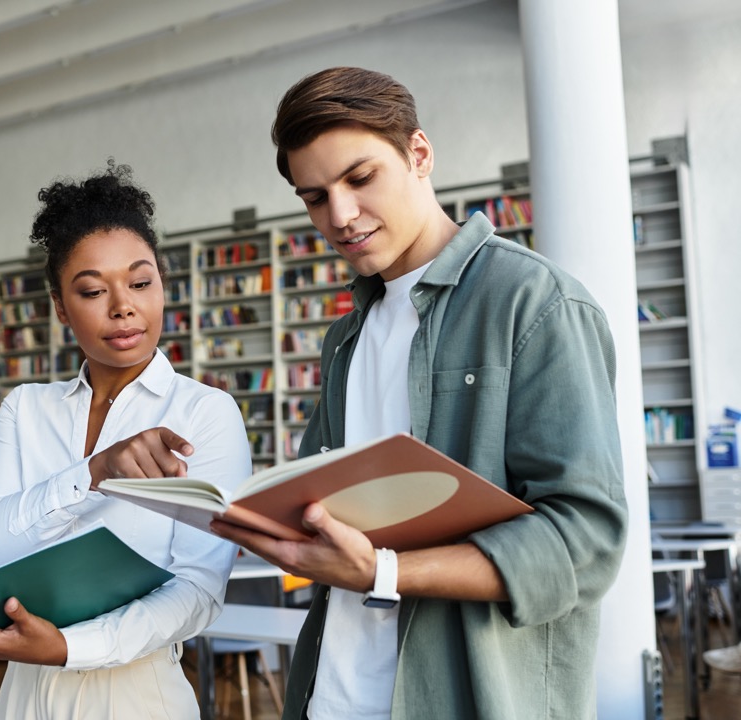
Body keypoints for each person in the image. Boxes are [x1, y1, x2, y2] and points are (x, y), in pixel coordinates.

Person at [211, 67, 629, 719]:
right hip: (331, 698)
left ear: (420, 154)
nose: (340, 217)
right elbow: (323, 508)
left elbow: (586, 543)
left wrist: (384, 573)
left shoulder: (535, 305)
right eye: (315, 197)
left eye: (359, 178)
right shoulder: (344, 338)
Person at [0, 161, 252, 719]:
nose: (123, 306)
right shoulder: (26, 407)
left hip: (137, 694)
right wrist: (93, 474)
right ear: (59, 306)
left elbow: (199, 589)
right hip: (22, 694)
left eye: (141, 283)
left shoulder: (205, 413)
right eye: (93, 290)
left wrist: (72, 647)